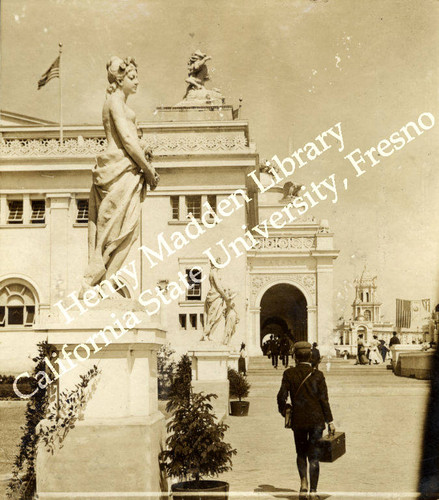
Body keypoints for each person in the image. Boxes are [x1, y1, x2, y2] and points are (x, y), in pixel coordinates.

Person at [81, 56, 159, 293]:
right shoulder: (114, 101)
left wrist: (144, 157)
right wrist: (148, 169)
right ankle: (91, 282)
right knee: (112, 231)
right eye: (132, 77)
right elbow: (125, 140)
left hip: (128, 172)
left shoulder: (123, 106)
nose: (137, 82)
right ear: (119, 78)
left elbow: (133, 140)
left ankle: (107, 281)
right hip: (117, 172)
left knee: (129, 232)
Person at [277, 341, 335, 498]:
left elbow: (281, 396)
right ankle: (314, 491)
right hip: (317, 421)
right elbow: (324, 400)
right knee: (314, 456)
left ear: (295, 357)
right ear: (310, 356)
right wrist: (330, 421)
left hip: (298, 420)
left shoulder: (289, 374)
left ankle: (303, 484)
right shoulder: (318, 375)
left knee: (301, 453)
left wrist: (285, 410)